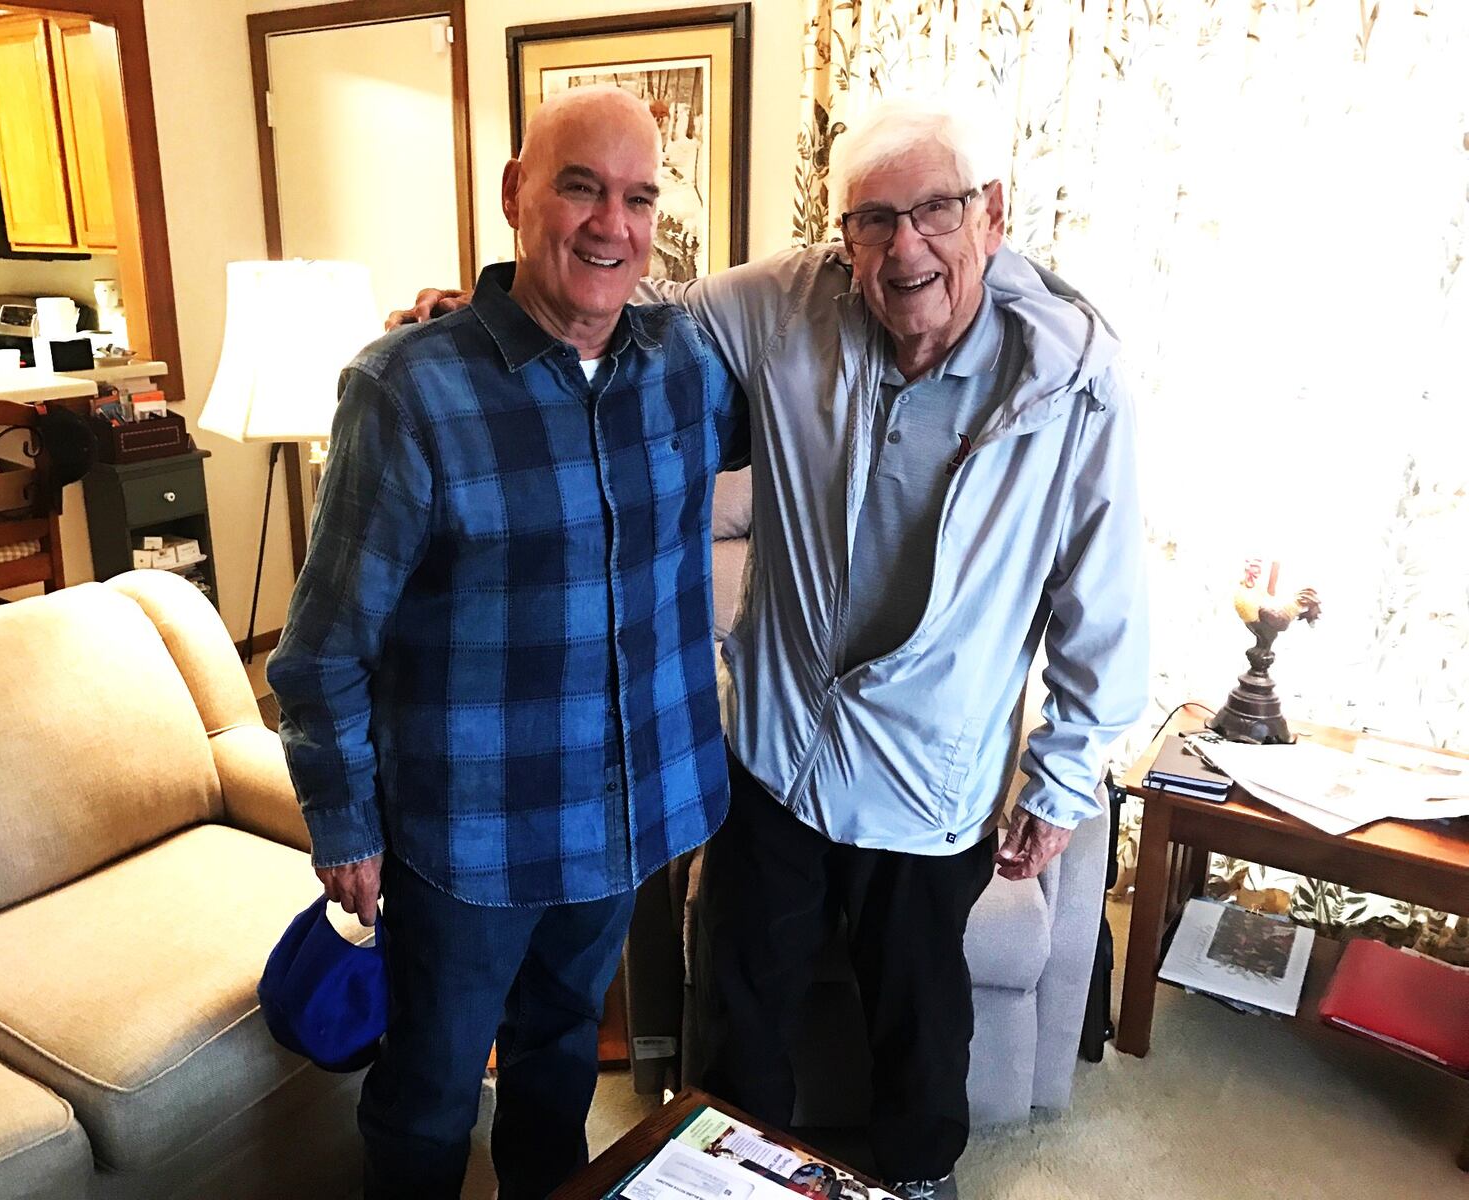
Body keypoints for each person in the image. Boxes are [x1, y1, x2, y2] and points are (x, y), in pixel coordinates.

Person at [397, 97, 1147, 1200]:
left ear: (991, 214)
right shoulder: (786, 305)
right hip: (777, 754)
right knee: (741, 1012)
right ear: (842, 237)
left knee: (918, 1024)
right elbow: (626, 299)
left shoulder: (1073, 382)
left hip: (929, 775)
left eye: (933, 212)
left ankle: (917, 1183)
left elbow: (1104, 592)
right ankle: (725, 1179)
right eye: (872, 221)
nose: (903, 249)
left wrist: (1065, 772)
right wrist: (484, 311)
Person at [270, 84, 744, 1200]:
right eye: (578, 186)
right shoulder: (408, 390)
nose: (609, 223)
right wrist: (343, 820)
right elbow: (322, 644)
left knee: (561, 1054)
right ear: (515, 193)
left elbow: (824, 343)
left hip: (623, 812)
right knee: (431, 1086)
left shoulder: (686, 369)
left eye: (636, 197)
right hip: (471, 831)